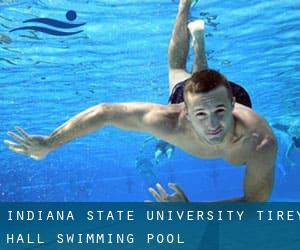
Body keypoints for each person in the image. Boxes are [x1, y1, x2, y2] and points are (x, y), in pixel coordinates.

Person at [4, 0, 277, 202]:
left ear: (232, 105)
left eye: (220, 111)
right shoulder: (170, 120)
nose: (214, 124)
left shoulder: (260, 140)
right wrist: (50, 142)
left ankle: (199, 43)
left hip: (224, 99)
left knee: (187, 75)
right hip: (202, 96)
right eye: (201, 115)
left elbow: (254, 203)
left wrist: (192, 211)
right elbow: (105, 112)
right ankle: (185, 6)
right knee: (177, 71)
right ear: (184, 110)